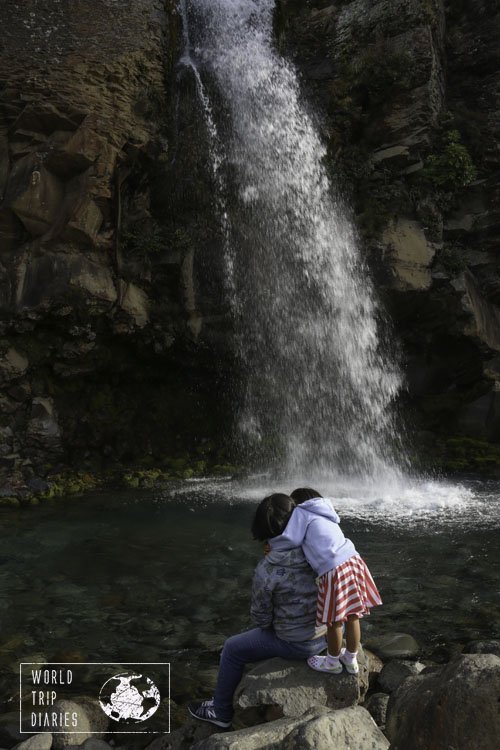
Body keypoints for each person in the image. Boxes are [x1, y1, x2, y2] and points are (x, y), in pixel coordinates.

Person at [188, 493, 327, 728]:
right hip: (330, 635)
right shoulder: (319, 547)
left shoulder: (268, 569)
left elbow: (261, 618)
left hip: (299, 643)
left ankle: (220, 712)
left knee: (232, 648)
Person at [268, 487, 382, 676]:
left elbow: (291, 539)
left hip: (334, 568)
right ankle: (351, 658)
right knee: (354, 615)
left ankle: (332, 661)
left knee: (334, 621)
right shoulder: (325, 511)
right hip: (353, 561)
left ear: (297, 502)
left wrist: (271, 545)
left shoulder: (301, 511)